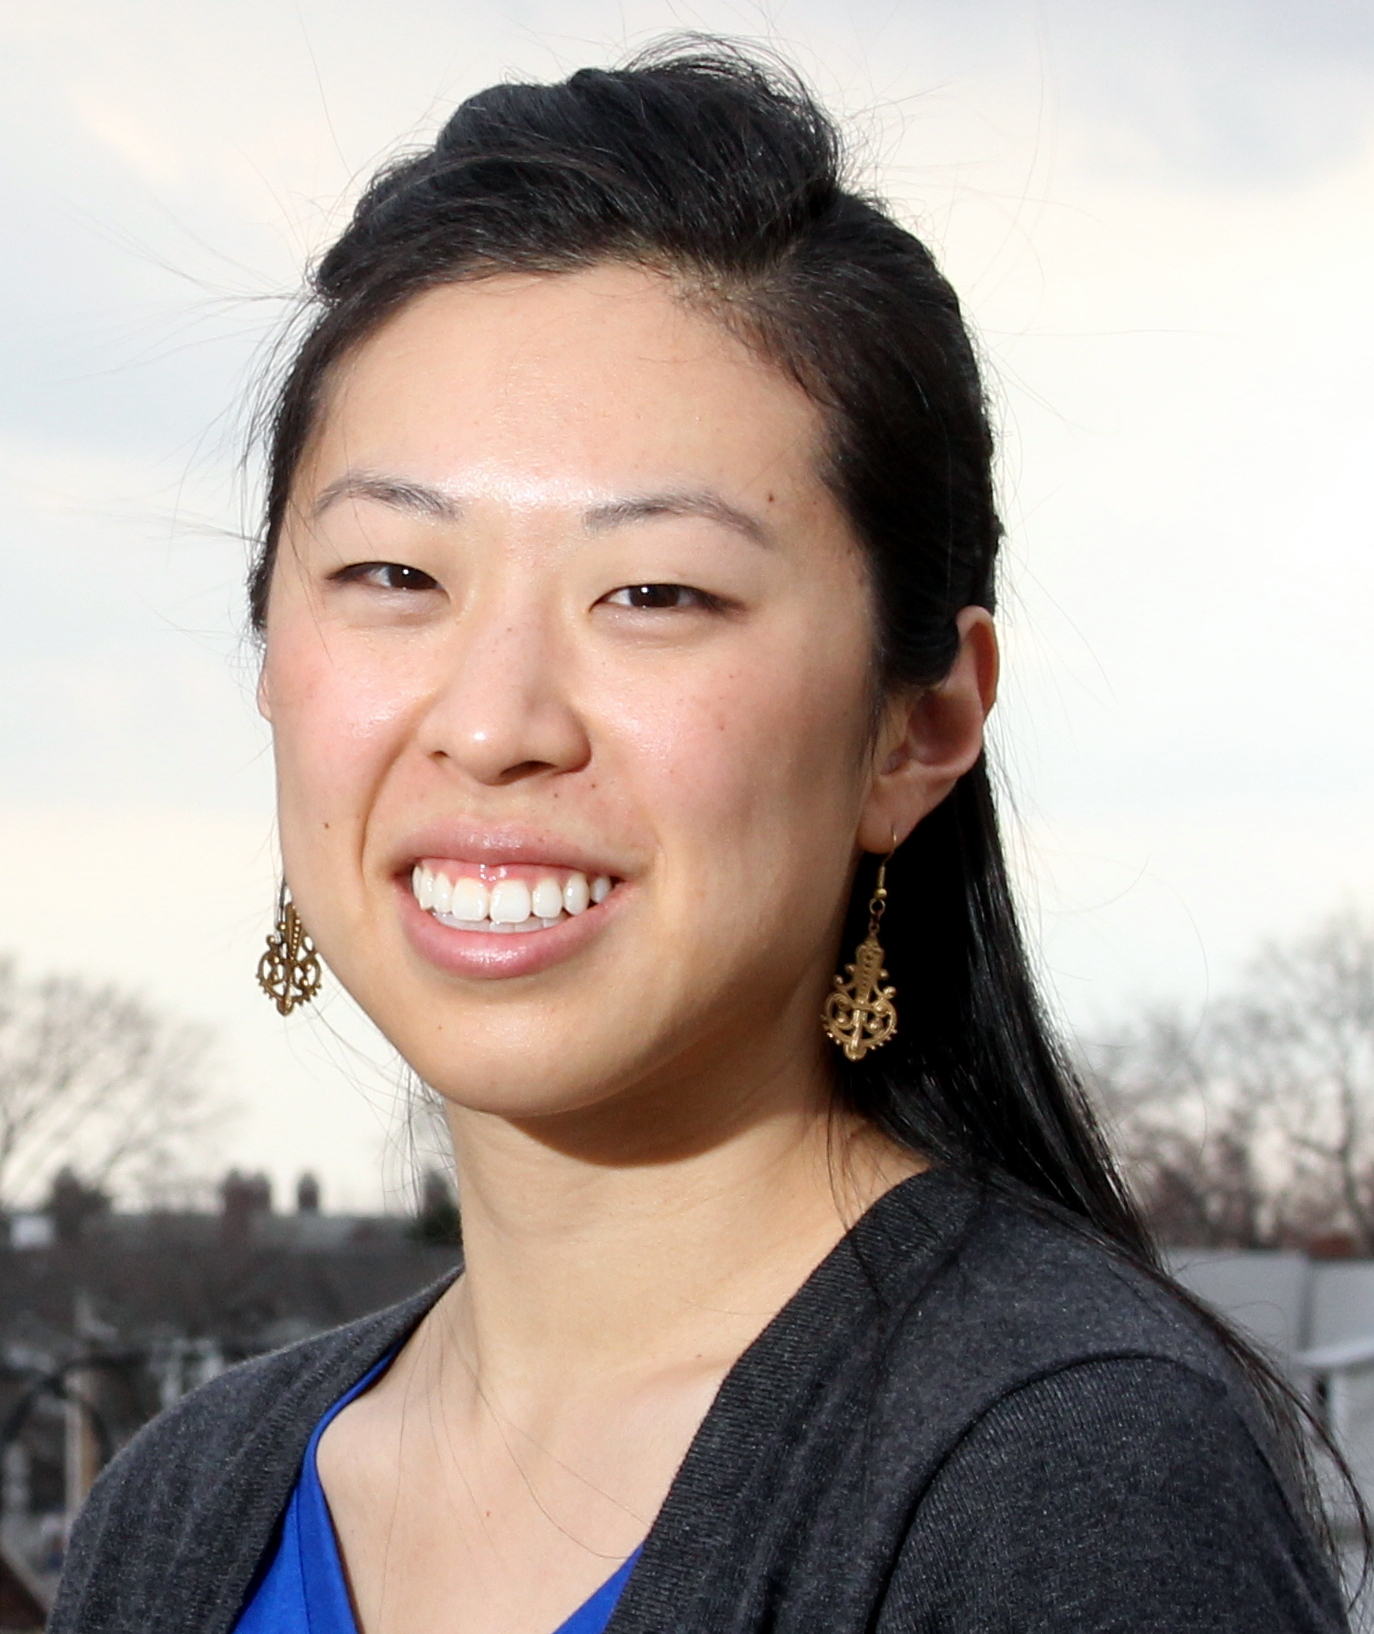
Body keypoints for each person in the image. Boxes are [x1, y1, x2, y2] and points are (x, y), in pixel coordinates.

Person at [52, 42, 1350, 1634]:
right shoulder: (182, 1511)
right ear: (269, 651)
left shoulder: (1068, 1475)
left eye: (654, 592)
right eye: (394, 575)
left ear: (919, 725)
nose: (495, 721)